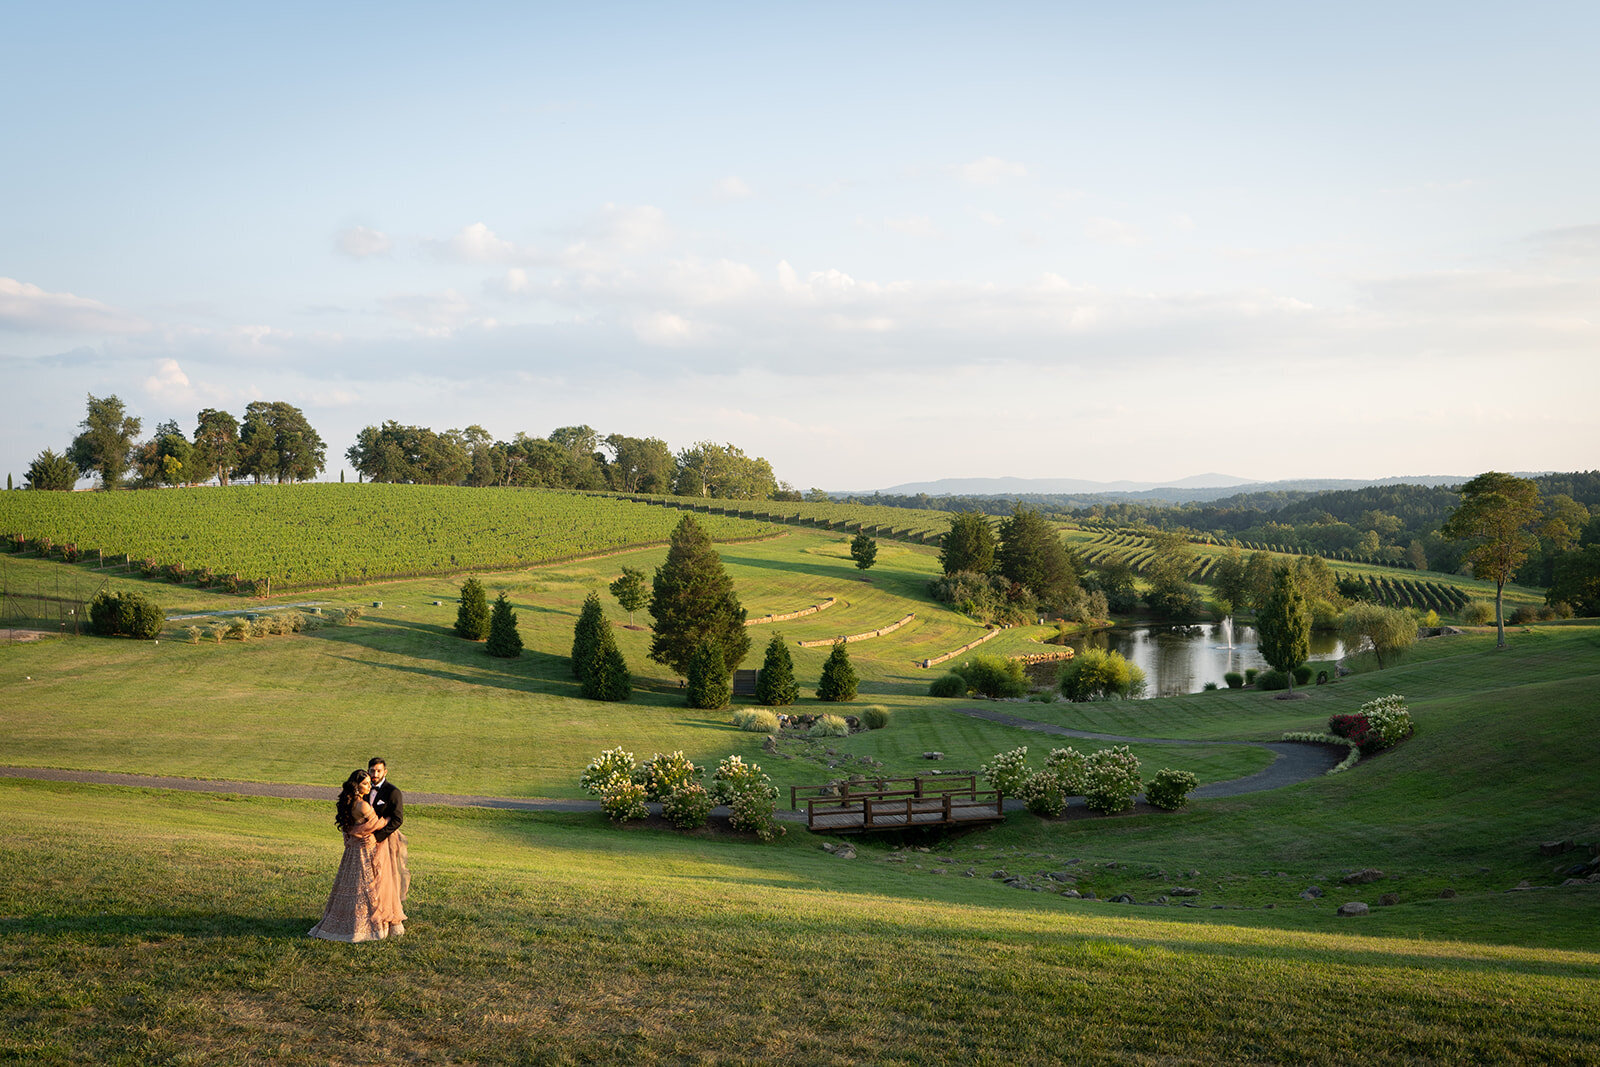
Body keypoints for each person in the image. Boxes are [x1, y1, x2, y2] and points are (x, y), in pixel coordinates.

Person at [308, 767, 409, 942]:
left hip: (352, 850)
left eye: (370, 783)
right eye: (365, 784)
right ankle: (366, 926)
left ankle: (342, 920)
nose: (369, 787)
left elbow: (348, 827)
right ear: (356, 786)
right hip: (364, 850)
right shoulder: (362, 805)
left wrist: (350, 836)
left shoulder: (347, 802)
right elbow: (376, 824)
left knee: (350, 884)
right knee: (367, 885)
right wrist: (390, 819)